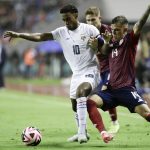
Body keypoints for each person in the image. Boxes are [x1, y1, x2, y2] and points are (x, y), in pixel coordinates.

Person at [3, 4, 112, 143]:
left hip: (91, 70)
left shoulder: (89, 29)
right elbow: (41, 36)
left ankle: (81, 134)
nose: (66, 22)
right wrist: (19, 35)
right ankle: (82, 131)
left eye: (68, 18)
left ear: (76, 15)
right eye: (63, 19)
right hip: (76, 73)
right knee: (75, 105)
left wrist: (105, 43)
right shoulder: (61, 32)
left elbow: (105, 51)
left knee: (81, 93)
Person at [86, 5, 150, 139]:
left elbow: (140, 24)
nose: (113, 33)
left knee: (147, 115)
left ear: (125, 30)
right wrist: (106, 42)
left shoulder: (130, 40)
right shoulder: (111, 44)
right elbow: (103, 52)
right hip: (110, 90)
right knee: (90, 102)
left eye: (117, 31)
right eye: (113, 30)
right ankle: (104, 133)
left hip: (126, 90)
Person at [85, 6, 120, 134]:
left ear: (99, 18)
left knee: (106, 92)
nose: (90, 23)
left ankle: (114, 123)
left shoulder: (109, 31)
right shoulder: (88, 32)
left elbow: (114, 50)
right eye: (88, 20)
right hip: (102, 69)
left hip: (114, 68)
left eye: (93, 20)